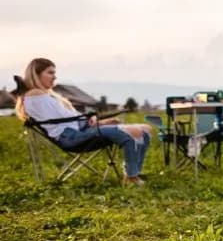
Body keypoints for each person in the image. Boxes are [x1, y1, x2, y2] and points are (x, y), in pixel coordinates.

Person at [14, 57, 154, 184]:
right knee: (132, 132)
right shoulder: (35, 94)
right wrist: (92, 119)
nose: (54, 77)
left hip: (79, 131)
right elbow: (64, 120)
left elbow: (69, 117)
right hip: (70, 137)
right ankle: (131, 177)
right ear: (36, 75)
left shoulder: (46, 96)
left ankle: (134, 172)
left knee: (146, 129)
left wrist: (96, 121)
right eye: (50, 73)